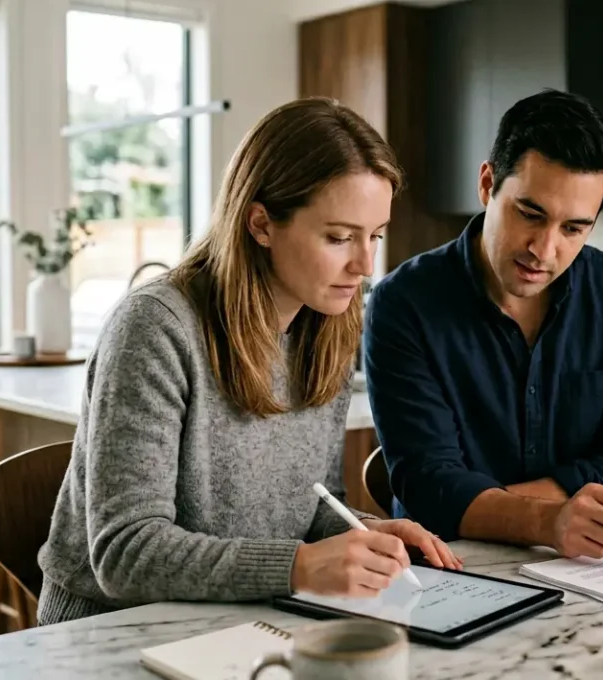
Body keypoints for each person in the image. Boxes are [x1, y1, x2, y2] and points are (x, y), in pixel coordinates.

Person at [37, 97, 460, 626]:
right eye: (339, 237)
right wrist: (301, 566)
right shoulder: (155, 328)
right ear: (261, 224)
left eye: (374, 235)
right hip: (109, 632)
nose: (365, 264)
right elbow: (125, 555)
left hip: (242, 620)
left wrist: (362, 535)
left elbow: (309, 506)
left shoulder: (326, 326)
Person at [363, 89, 603, 560]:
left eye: (573, 229)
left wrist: (481, 503)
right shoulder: (402, 303)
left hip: (583, 565)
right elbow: (428, 485)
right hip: (451, 565)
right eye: (530, 214)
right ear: (488, 185)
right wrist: (547, 519)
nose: (544, 251)